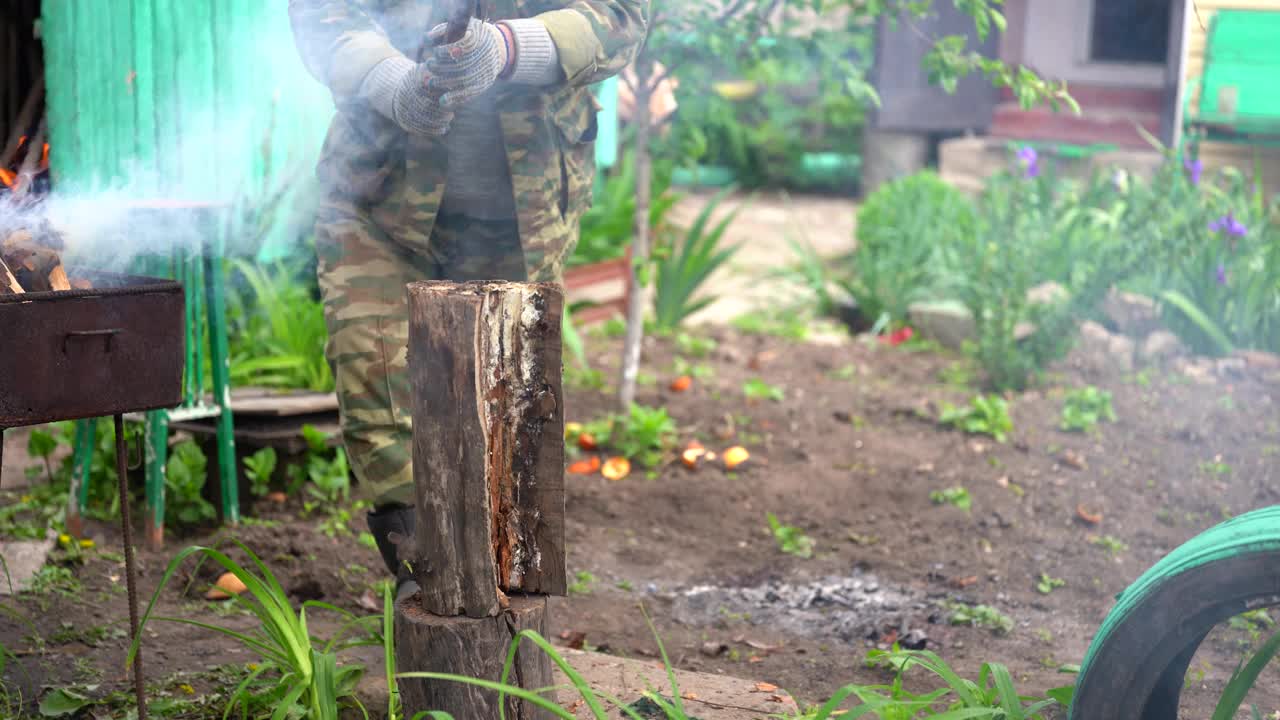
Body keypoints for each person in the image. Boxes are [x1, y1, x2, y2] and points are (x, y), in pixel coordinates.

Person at [288, 0, 648, 599]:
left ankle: (510, 607)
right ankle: (423, 579)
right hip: (378, 195)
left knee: (511, 406)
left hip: (522, 214)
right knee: (377, 382)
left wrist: (509, 48)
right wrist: (392, 81)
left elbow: (621, 15)